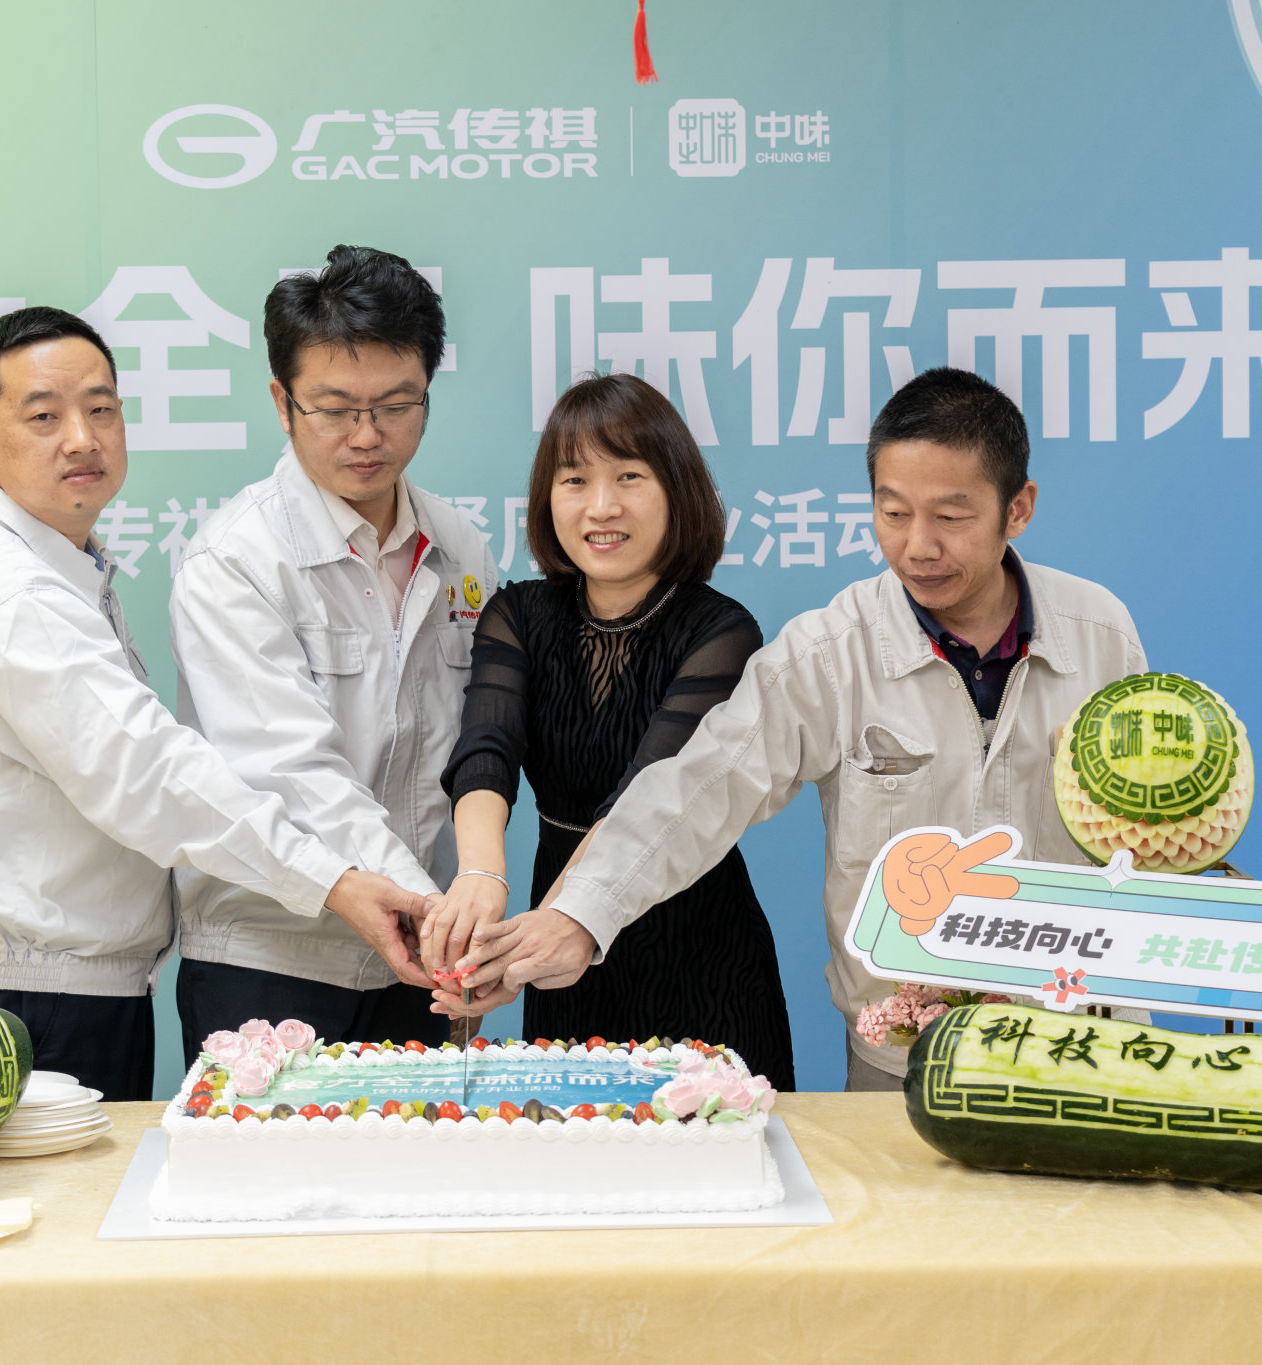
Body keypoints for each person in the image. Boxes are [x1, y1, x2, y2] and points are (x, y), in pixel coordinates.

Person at [438, 367, 1147, 1092]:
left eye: (951, 517)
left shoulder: (1100, 633)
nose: (918, 546)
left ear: (1017, 508)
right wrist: (581, 916)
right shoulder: (829, 651)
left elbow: (1143, 830)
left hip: (1083, 1039)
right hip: (907, 1050)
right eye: (893, 513)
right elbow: (700, 788)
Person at [0, 306, 433, 1101]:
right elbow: (152, 775)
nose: (81, 437)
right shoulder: (10, 596)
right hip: (26, 997)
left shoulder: (60, 566)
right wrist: (336, 880)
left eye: (101, 409)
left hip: (78, 985)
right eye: (43, 417)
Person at [168, 246, 496, 1060]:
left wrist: (457, 928)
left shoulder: (460, 547)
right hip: (271, 957)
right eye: (335, 409)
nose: (368, 435)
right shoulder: (238, 559)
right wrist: (438, 916)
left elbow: (481, 746)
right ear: (282, 402)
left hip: (418, 961)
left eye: (396, 404)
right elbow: (294, 771)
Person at [429, 373, 797, 1088]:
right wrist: (481, 879)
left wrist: (541, 936)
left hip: (697, 942)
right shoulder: (518, 614)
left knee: (722, 1146)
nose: (602, 506)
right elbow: (485, 752)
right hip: (559, 948)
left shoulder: (721, 631)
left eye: (629, 476)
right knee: (571, 1146)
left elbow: (643, 795)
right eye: (575, 479)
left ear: (676, 490)